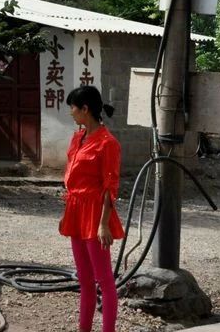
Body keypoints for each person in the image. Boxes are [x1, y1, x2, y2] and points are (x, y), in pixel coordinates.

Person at [59, 85, 124, 332]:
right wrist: (66, 214)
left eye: (73, 108)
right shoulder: (78, 137)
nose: (71, 113)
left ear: (85, 109)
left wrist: (103, 223)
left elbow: (110, 187)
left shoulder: (108, 143)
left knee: (105, 281)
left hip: (95, 213)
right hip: (75, 210)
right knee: (85, 281)